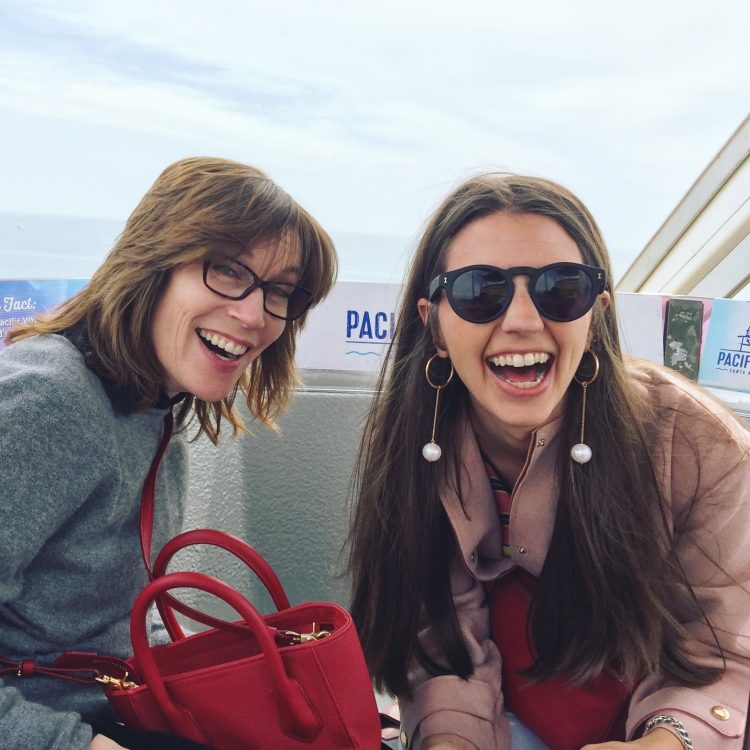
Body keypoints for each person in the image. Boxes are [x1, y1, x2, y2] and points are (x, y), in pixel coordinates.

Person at [348, 174, 750, 750]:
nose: (522, 320)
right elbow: (439, 647)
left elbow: (727, 649)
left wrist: (669, 742)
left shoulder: (692, 442)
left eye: (561, 289)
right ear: (433, 323)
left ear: (594, 318)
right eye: (478, 292)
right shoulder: (416, 447)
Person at [0, 156, 337, 750]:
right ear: (155, 261)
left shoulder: (152, 404)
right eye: (228, 271)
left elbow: (118, 612)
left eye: (280, 292)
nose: (255, 315)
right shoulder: (48, 403)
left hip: (117, 700)